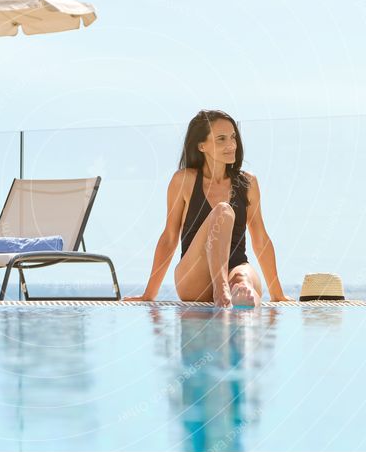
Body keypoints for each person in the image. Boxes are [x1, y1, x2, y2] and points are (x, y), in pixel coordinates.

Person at [124, 110, 292, 308]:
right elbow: (169, 238)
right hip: (194, 276)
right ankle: (222, 289)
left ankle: (239, 296)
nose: (231, 145)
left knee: (243, 281)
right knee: (223, 211)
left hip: (235, 267)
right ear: (201, 146)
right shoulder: (184, 181)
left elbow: (260, 239)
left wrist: (277, 294)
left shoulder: (248, 183)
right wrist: (148, 294)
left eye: (233, 137)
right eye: (221, 139)